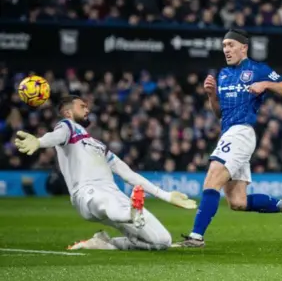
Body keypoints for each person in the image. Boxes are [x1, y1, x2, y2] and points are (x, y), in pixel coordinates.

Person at [13, 95, 197, 251]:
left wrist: (166, 196)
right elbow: (56, 136)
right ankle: (131, 213)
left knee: (162, 242)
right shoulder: (67, 127)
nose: (87, 109)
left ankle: (106, 243)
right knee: (106, 202)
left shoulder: (99, 145)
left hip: (115, 195)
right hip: (87, 193)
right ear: (68, 112)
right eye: (82, 106)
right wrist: (39, 142)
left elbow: (127, 173)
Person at [173, 29, 282, 248]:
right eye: (224, 46)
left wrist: (266, 84)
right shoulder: (223, 74)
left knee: (212, 178)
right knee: (238, 202)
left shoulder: (257, 69)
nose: (226, 50)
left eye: (231, 45)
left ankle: (196, 237)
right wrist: (211, 95)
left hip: (242, 132)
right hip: (229, 131)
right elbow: (219, 113)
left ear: (244, 47)